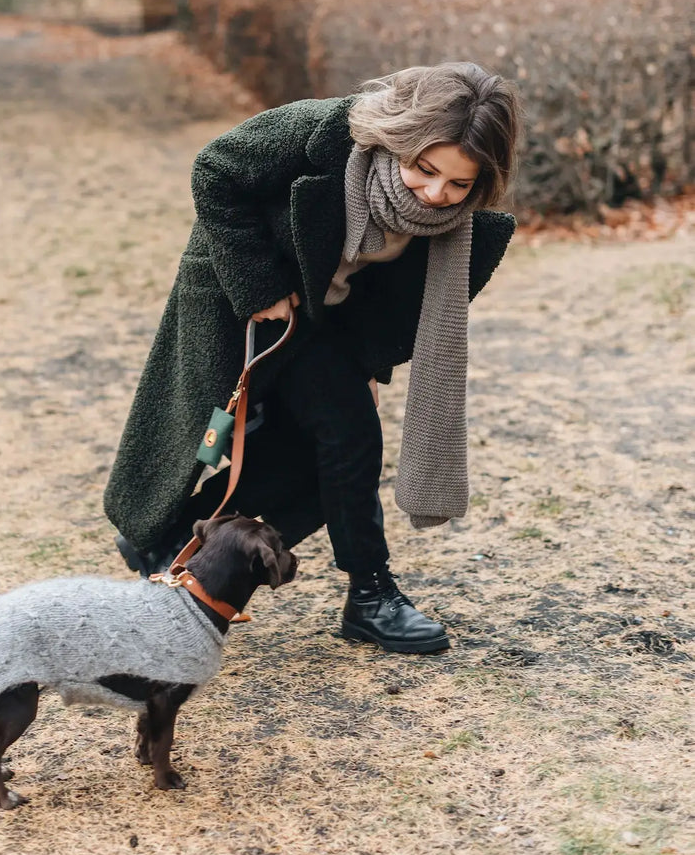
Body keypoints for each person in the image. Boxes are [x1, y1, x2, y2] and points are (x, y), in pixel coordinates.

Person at [105, 62, 522, 654]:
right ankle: (171, 539)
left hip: (325, 323)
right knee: (282, 441)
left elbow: (390, 302)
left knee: (343, 443)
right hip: (241, 302)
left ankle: (362, 594)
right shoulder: (320, 132)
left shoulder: (452, 224)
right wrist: (258, 282)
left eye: (458, 185)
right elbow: (214, 170)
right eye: (424, 170)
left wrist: (368, 366)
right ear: (398, 138)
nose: (435, 195)